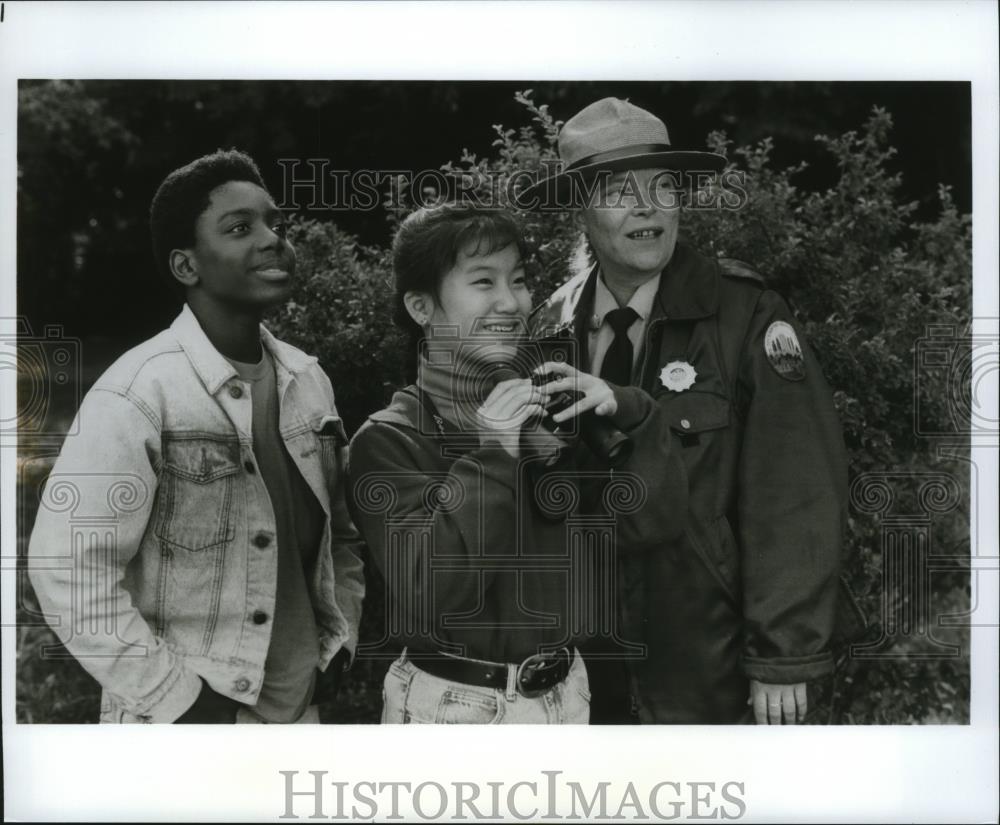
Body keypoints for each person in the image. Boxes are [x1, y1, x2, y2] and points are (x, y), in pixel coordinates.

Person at [519, 98, 848, 724]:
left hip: (709, 657)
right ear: (580, 208)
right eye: (620, 190)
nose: (648, 206)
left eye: (663, 186)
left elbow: (797, 492)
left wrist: (782, 656)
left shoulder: (747, 315)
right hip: (586, 663)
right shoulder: (549, 327)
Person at [28, 149, 365, 723]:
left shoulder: (310, 382)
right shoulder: (137, 392)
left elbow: (342, 536)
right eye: (240, 228)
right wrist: (180, 702)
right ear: (187, 266)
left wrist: (337, 646)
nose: (271, 239)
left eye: (274, 224)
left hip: (300, 714)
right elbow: (67, 567)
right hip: (184, 729)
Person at [345, 203, 685, 724]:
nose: (511, 302)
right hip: (455, 711)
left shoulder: (552, 412)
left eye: (520, 280)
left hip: (568, 697)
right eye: (483, 282)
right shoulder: (390, 438)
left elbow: (648, 528)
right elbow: (439, 595)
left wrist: (631, 412)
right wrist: (493, 455)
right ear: (420, 306)